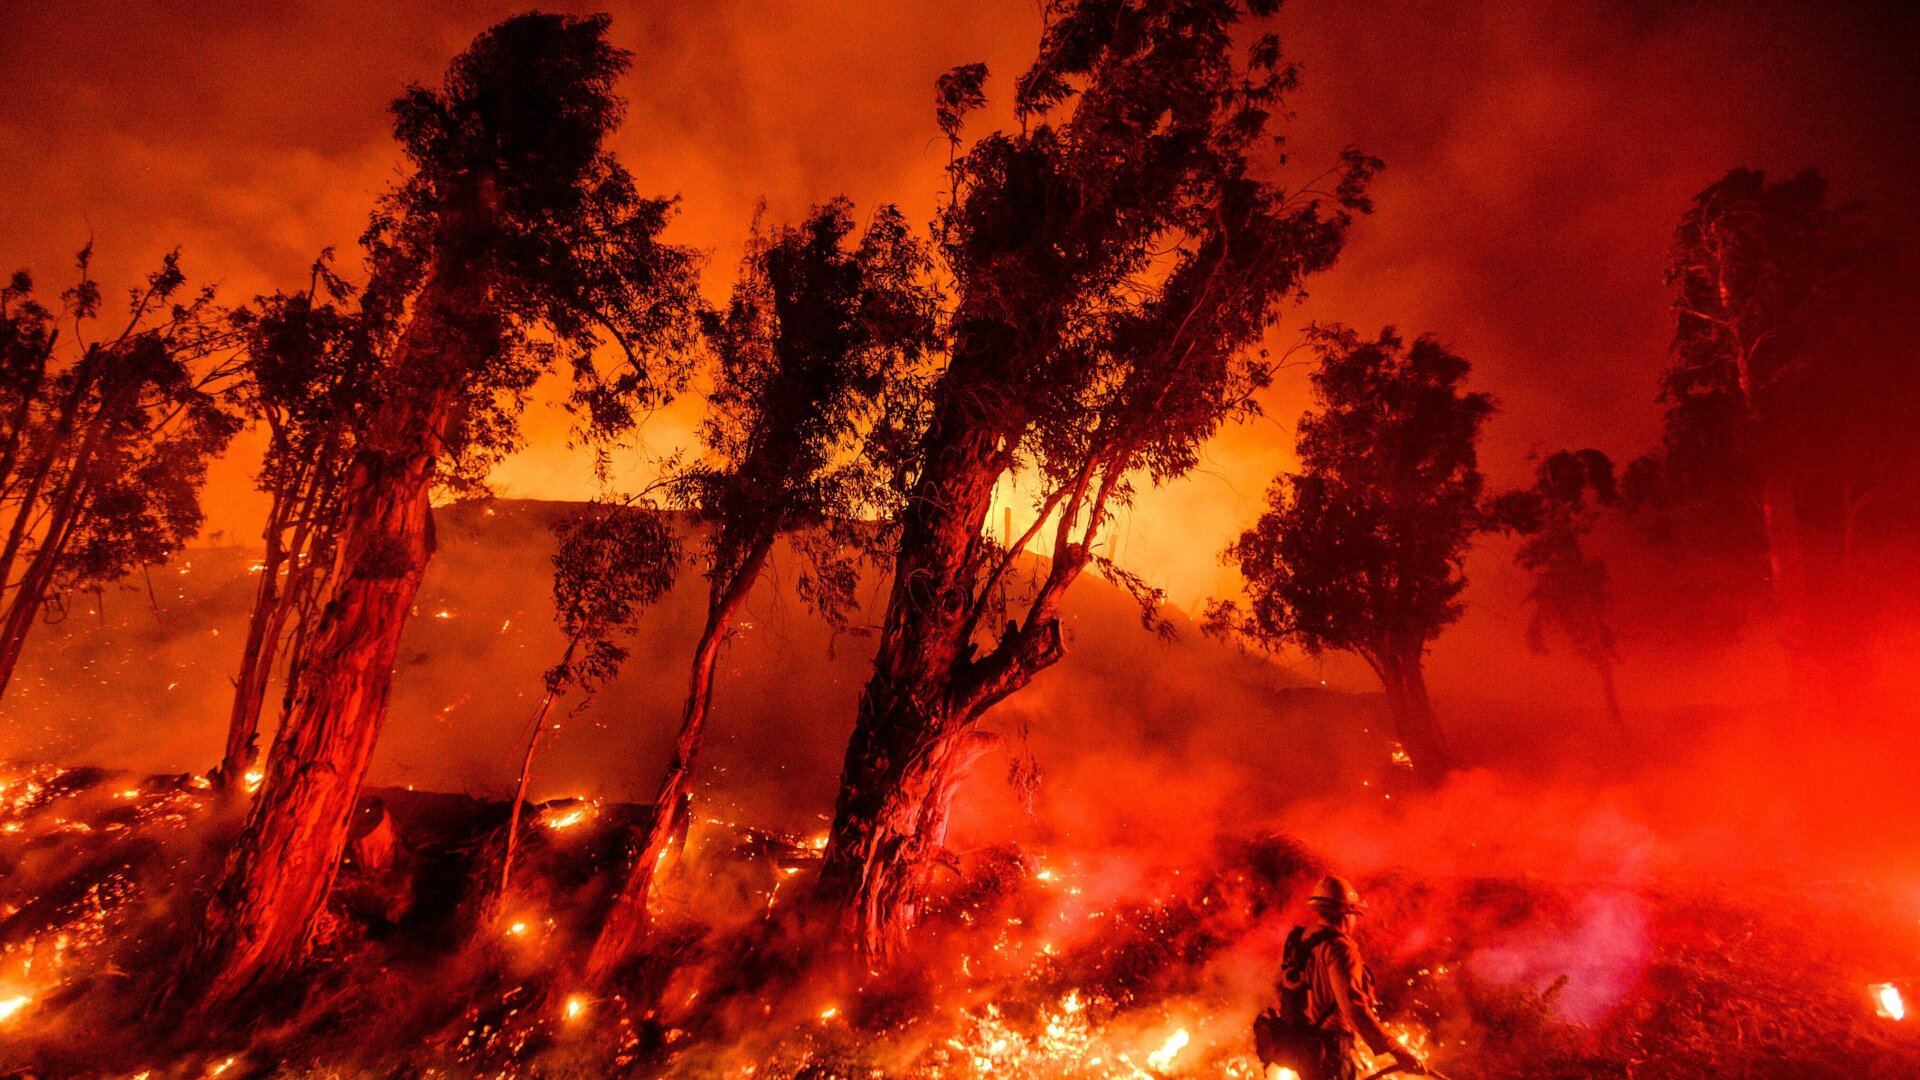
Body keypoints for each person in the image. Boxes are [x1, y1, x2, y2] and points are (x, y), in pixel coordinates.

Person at [1267, 875, 1427, 1079]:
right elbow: (1353, 1007)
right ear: (1346, 913)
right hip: (1329, 1054)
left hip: (1302, 1053)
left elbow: (1276, 987)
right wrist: (1397, 1050)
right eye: (1354, 913)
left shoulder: (1298, 940)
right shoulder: (1340, 949)